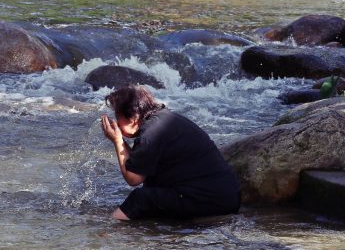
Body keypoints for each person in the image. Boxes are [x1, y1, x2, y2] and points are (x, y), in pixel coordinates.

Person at [100, 84, 241, 221]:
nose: (117, 125)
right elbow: (138, 166)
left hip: (214, 200)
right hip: (224, 195)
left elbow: (134, 179)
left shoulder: (151, 132)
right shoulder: (161, 120)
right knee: (151, 186)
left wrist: (118, 140)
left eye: (118, 119)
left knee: (139, 199)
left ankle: (110, 232)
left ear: (134, 117)